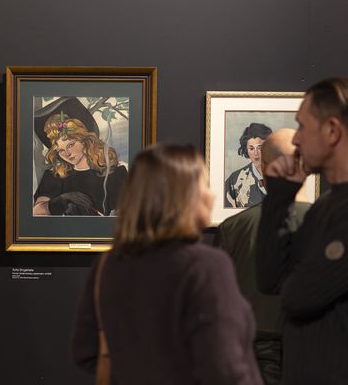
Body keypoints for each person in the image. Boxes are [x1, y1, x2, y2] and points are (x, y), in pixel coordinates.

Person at [71, 144, 262, 384]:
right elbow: (225, 369)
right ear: (183, 196)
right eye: (204, 185)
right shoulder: (205, 266)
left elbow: (86, 352)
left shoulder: (108, 265)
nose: (212, 195)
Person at [256, 77, 348, 384]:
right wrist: (279, 197)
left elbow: (297, 297)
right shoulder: (324, 206)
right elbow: (270, 279)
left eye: (302, 126)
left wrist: (294, 280)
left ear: (332, 131)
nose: (295, 139)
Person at [214, 128, 311, 385]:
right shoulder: (332, 223)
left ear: (265, 169)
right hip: (314, 349)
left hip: (252, 354)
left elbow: (219, 303)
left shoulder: (233, 228)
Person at [33, 98, 127, 216]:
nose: (67, 153)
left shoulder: (115, 174)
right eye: (60, 150)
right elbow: (36, 212)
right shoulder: (54, 176)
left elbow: (127, 216)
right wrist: (60, 202)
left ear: (84, 140)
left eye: (71, 145)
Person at [225, 123, 272, 208]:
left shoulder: (284, 175)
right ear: (246, 150)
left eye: (260, 147)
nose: (256, 153)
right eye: (251, 148)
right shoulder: (234, 180)